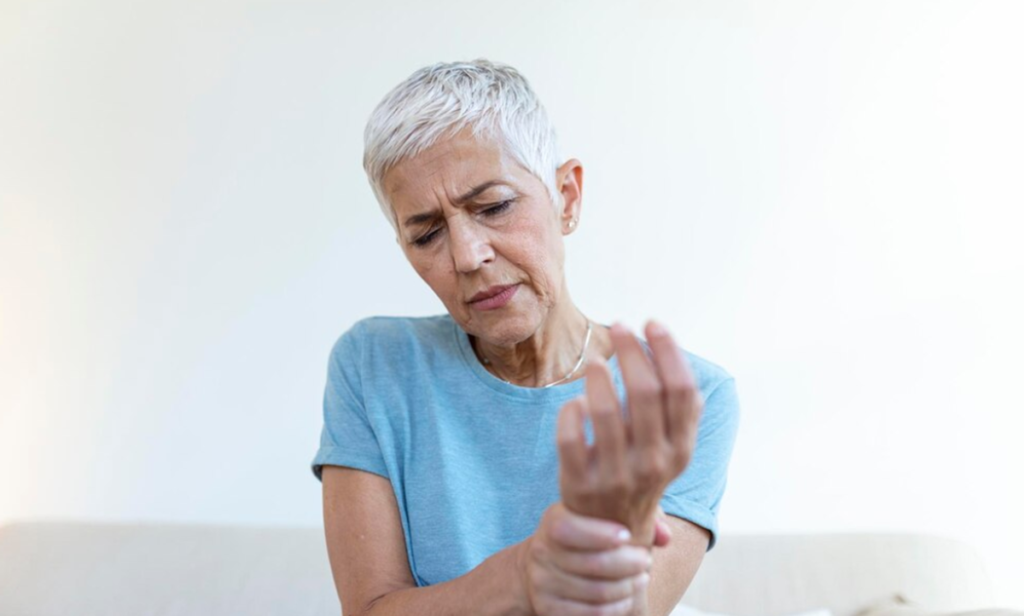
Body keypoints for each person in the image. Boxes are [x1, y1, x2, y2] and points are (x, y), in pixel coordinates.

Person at [311, 59, 740, 616]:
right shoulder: (373, 366)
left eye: (494, 207)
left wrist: (612, 538)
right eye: (427, 234)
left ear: (567, 196)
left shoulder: (688, 397)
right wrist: (525, 573)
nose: (468, 256)